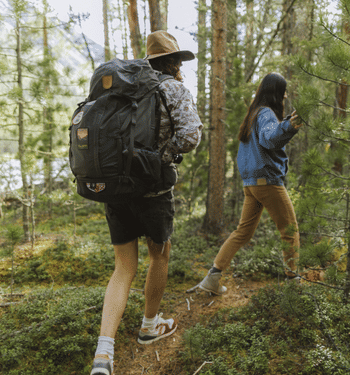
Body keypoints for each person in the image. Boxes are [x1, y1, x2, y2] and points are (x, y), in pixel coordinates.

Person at [91, 30, 203, 375]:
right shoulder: (172, 88)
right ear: (173, 62)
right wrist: (158, 157)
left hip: (115, 188)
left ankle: (103, 354)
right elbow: (190, 137)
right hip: (153, 190)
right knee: (160, 255)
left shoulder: (121, 89)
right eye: (179, 62)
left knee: (123, 267)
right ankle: (149, 325)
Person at [192, 72, 304, 296]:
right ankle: (293, 282)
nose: (284, 98)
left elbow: (263, 139)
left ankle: (212, 278)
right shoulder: (266, 113)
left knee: (242, 232)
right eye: (283, 93)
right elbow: (270, 138)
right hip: (267, 182)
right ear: (276, 93)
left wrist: (286, 124)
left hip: (252, 184)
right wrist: (290, 126)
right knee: (290, 230)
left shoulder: (254, 114)